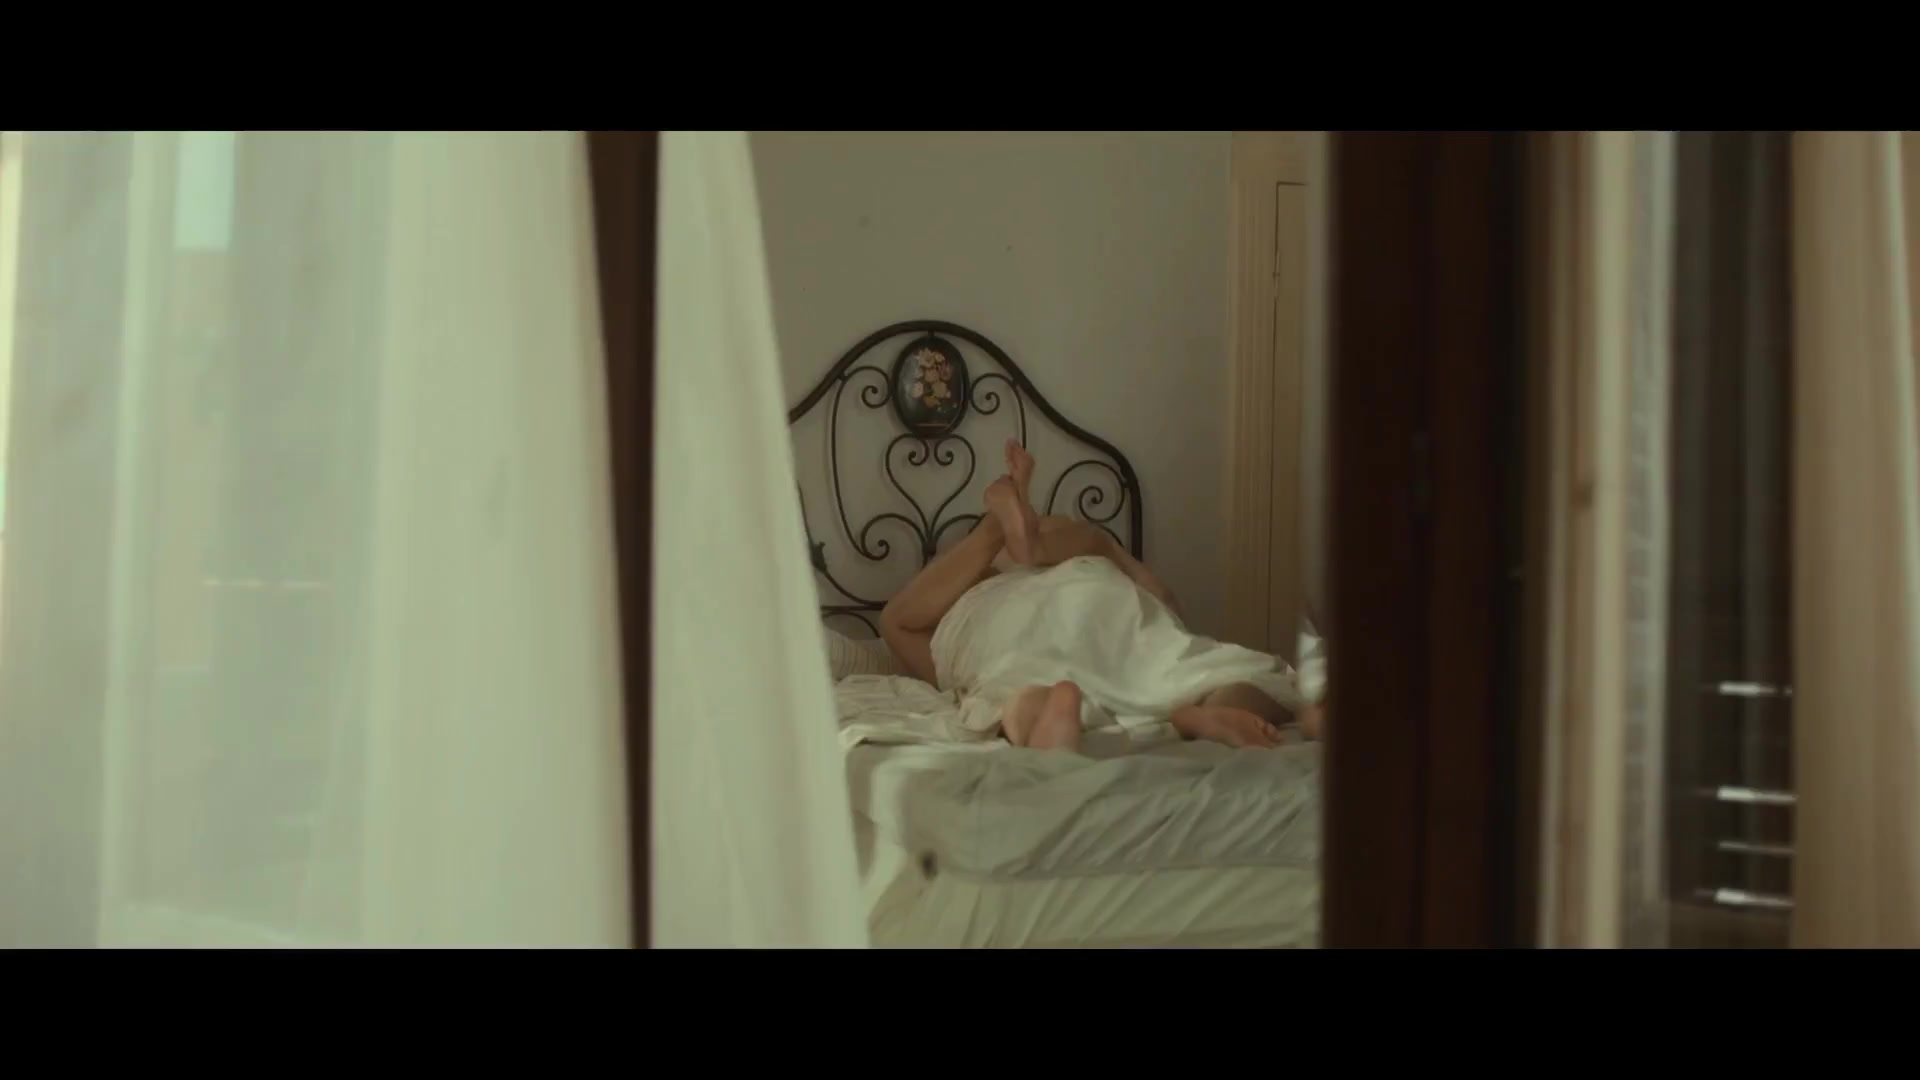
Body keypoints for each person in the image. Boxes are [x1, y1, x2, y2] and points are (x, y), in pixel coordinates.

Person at [879, 440, 1326, 753]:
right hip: (1096, 592)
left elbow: (895, 621)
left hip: (1011, 624)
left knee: (1014, 693)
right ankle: (1212, 710)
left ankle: (1046, 708)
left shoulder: (967, 606)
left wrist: (993, 531)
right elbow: (1163, 599)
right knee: (1209, 672)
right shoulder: (1088, 546)